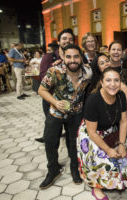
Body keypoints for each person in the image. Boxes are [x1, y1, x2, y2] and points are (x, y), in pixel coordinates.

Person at [38, 44, 92, 190]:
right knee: (50, 141)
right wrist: (55, 102)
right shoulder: (54, 71)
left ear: (81, 57)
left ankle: (75, 168)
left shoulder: (88, 72)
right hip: (56, 112)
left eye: (76, 56)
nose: (72, 60)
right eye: (68, 57)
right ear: (63, 57)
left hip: (76, 113)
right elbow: (41, 90)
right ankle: (53, 170)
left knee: (74, 142)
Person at [77, 67, 127, 200]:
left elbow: (124, 121)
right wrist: (107, 149)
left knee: (121, 153)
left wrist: (121, 144)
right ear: (101, 82)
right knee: (101, 156)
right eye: (108, 80)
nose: (112, 84)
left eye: (116, 80)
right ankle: (96, 187)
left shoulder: (121, 96)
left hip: (110, 128)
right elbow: (91, 132)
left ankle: (120, 180)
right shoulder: (93, 101)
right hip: (91, 133)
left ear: (121, 83)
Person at [35, 29, 75, 143]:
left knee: (70, 132)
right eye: (64, 39)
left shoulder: (77, 56)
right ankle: (53, 160)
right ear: (58, 42)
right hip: (51, 100)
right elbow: (43, 77)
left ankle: (72, 157)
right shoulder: (49, 57)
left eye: (71, 39)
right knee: (52, 133)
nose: (67, 41)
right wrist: (56, 71)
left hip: (71, 101)